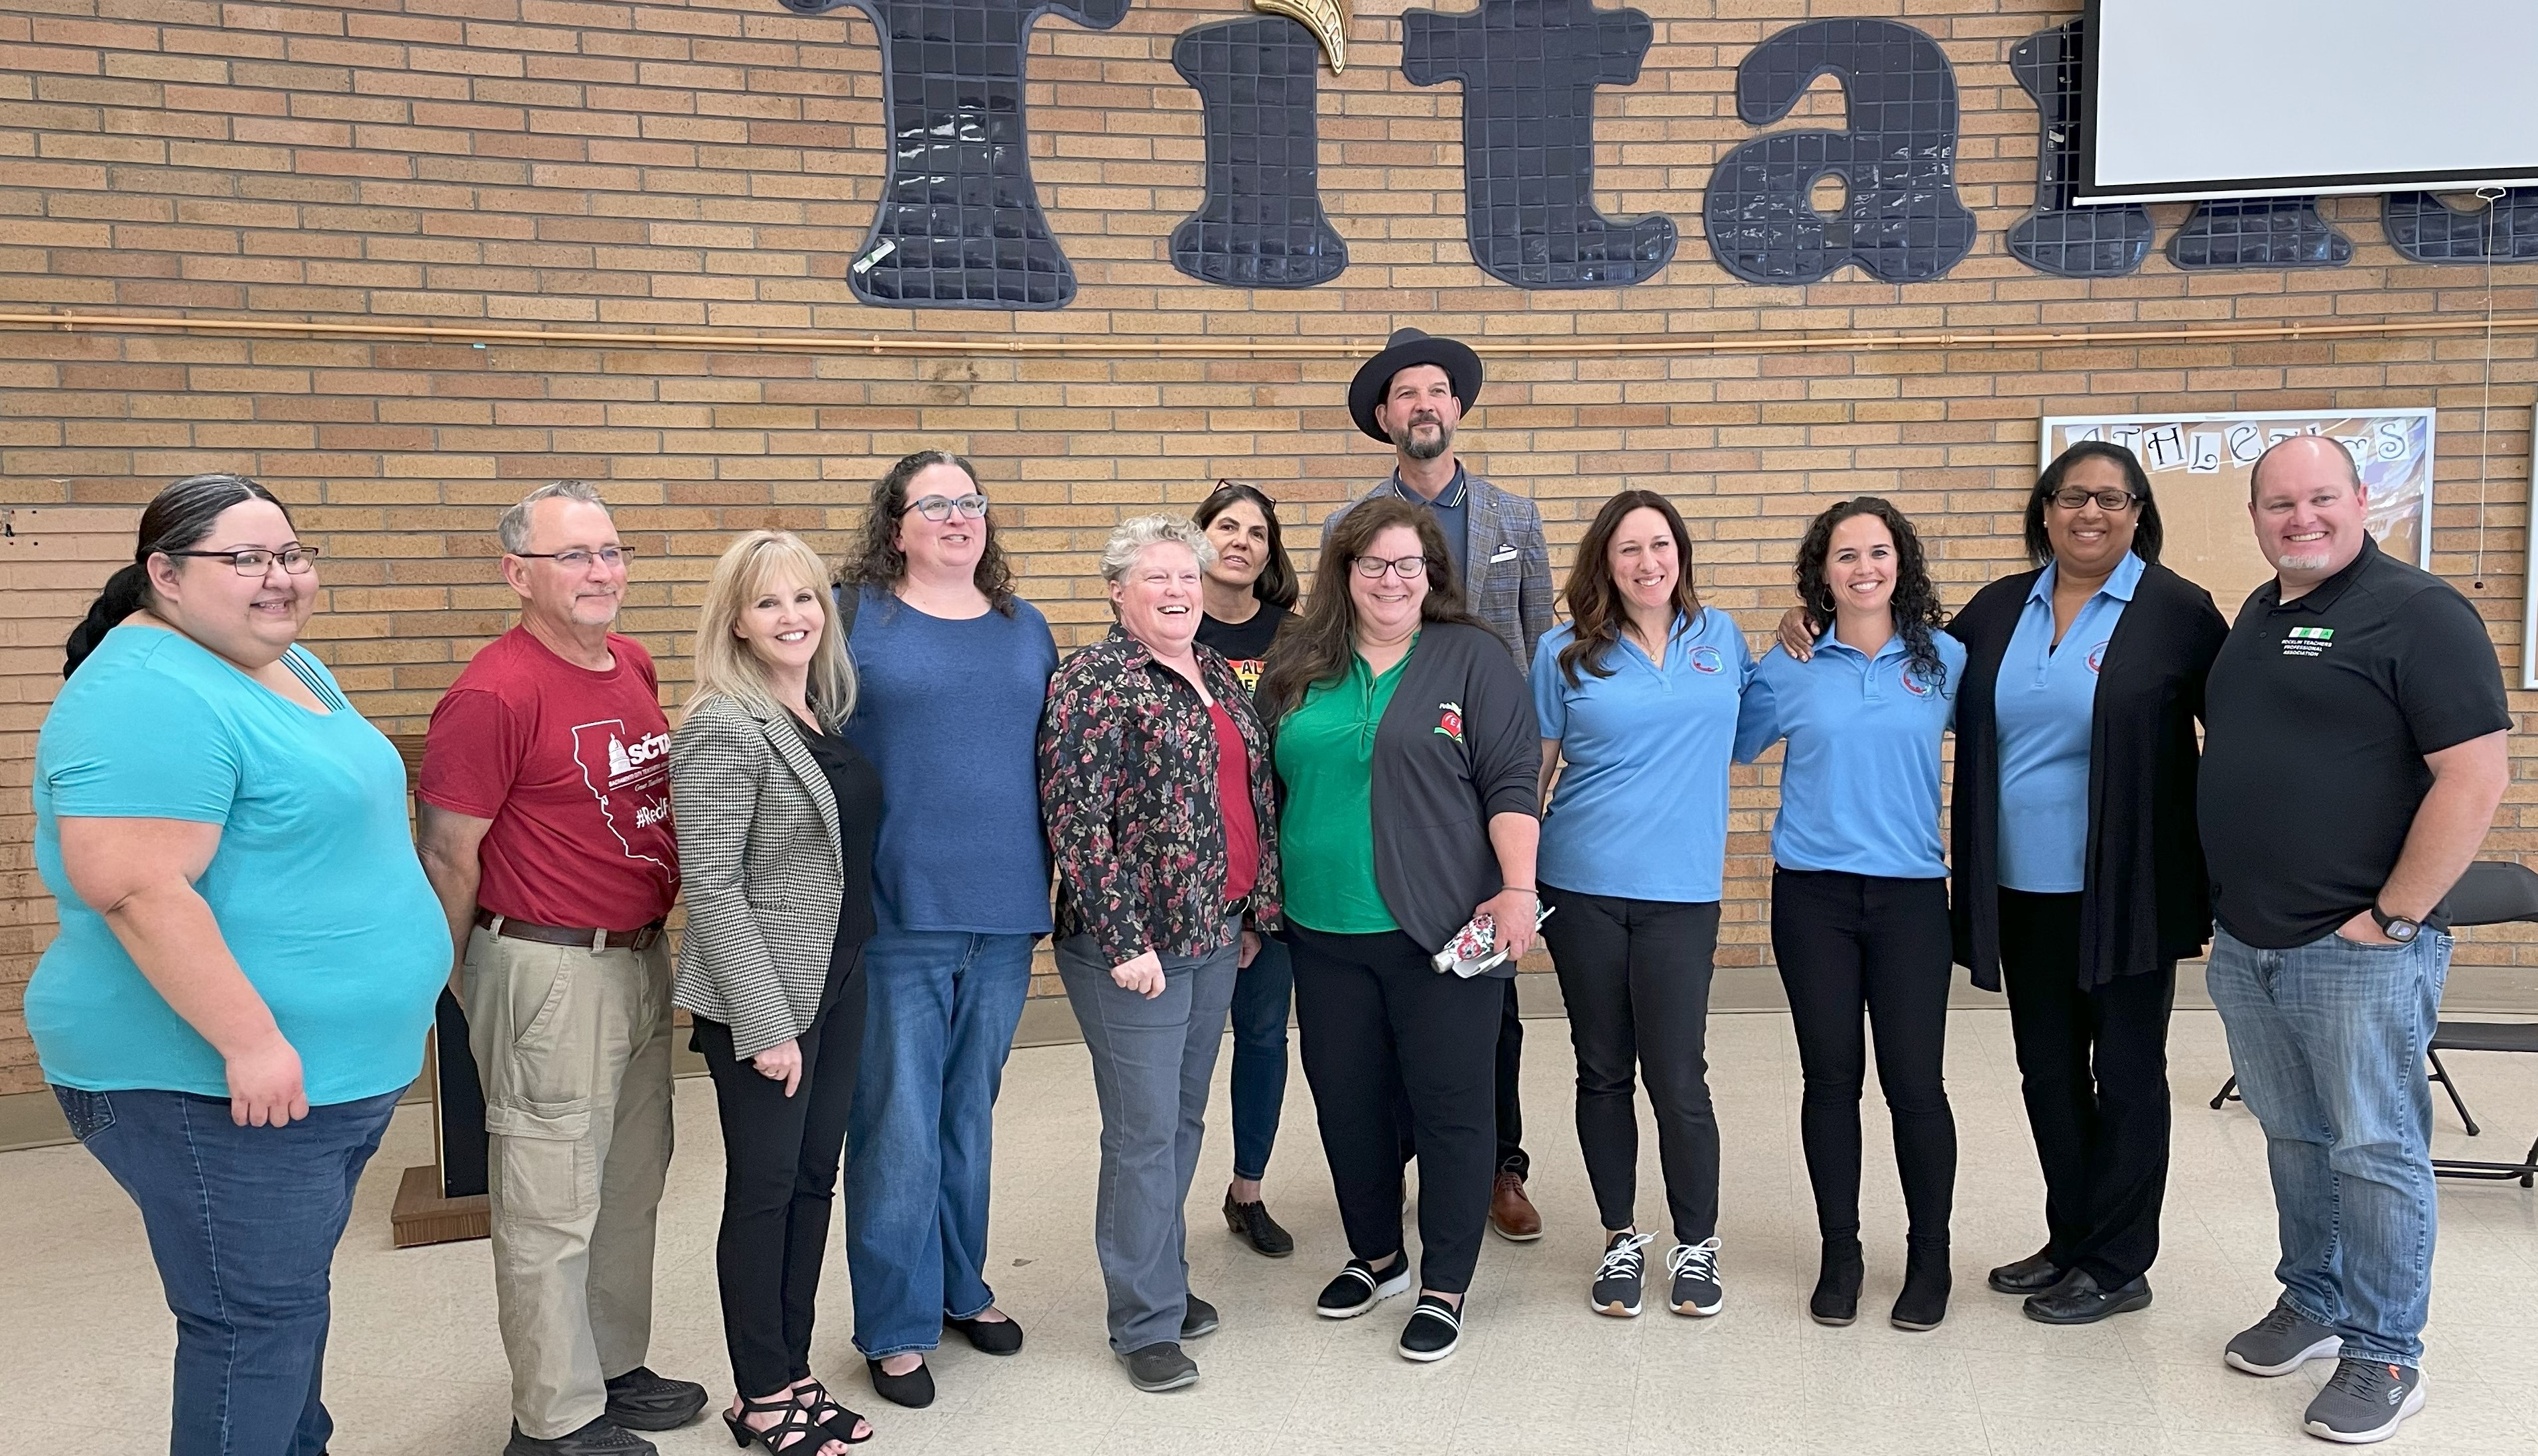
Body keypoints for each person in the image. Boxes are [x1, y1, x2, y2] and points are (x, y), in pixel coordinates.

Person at [29, 473, 448, 1456]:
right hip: (210, 1078)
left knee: (282, 1310)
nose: (280, 576)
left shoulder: (279, 661)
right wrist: (252, 1039)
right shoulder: (143, 689)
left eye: (292, 554)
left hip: (320, 1075)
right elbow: (136, 887)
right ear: (163, 574)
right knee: (249, 1327)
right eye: (245, 558)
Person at [2198, 434, 2508, 1445]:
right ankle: (2314, 1299)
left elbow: (2474, 776)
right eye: (2279, 502)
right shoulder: (2257, 612)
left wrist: (2395, 915)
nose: (2301, 518)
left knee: (2375, 1147)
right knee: (2292, 1135)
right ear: (2254, 514)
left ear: (2360, 497)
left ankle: (2385, 1350)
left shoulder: (2419, 611)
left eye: (2320, 497)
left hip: (2358, 949)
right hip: (2250, 942)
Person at [415, 481, 706, 1456]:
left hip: (635, 954)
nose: (599, 572)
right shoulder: (491, 691)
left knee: (628, 1179)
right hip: (544, 964)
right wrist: (453, 980)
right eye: (573, 556)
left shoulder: (631, 661)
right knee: (549, 1198)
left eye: (611, 551)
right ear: (517, 574)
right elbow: (450, 854)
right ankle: (553, 1418)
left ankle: (611, 1364)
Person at [1940, 444, 2228, 1325]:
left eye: (2109, 498)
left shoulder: (2177, 612)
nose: (2088, 513)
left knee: (2130, 1073)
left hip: (2128, 894)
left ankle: (2117, 1259)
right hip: (2020, 892)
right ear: (2045, 506)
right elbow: (1909, 680)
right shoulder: (1995, 610)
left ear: (2138, 511)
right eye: (2071, 496)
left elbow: (2241, 736)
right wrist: (1814, 625)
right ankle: (2069, 1236)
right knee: (2047, 1071)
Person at [1261, 496, 1542, 1364]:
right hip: (1321, 926)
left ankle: (1444, 1280)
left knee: (1452, 1108)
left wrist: (1518, 887)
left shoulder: (1471, 656)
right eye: (1374, 563)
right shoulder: (1301, 661)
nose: (1392, 579)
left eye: (1408, 564)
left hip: (1444, 929)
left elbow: (1509, 780)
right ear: (1344, 571)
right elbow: (1267, 783)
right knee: (1348, 1103)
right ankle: (1376, 1255)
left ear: (1432, 574)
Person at [1038, 515, 1284, 1392]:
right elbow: (1074, 812)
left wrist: (1255, 909)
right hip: (1132, 947)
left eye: (1188, 575)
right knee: (1143, 1132)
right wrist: (1121, 936)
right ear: (1117, 591)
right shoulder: (1094, 679)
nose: (1179, 591)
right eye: (1157, 578)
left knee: (1182, 1120)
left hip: (1216, 930)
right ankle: (1141, 1319)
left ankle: (1163, 1279)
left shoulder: (1214, 670)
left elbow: (1245, 795)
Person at [836, 450, 1059, 1410]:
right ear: (897, 524)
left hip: (1006, 910)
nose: (956, 516)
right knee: (896, 1123)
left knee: (967, 1112)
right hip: (899, 911)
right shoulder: (851, 617)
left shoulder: (1026, 626)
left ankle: (963, 1284)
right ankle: (894, 1320)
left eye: (970, 501)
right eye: (933, 503)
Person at [1323, 325, 1554, 1242]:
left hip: (1487, 782)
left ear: (1456, 406)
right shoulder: (1351, 528)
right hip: (1398, 778)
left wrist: (1529, 790)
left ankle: (1497, 1161)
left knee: (1483, 993)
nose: (1423, 405)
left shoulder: (1514, 517)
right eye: (1404, 394)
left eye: (1436, 391)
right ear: (1383, 416)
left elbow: (1540, 651)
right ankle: (1404, 1157)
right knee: (1391, 995)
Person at [1734, 496, 1966, 1333]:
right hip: (1813, 898)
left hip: (1909, 897)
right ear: (1821, 574)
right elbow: (1721, 738)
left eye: (1877, 552)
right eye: (1844, 556)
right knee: (1829, 1079)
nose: (1863, 568)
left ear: (1900, 561)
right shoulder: (1789, 664)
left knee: (1915, 1084)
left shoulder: (1945, 658)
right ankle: (1841, 1252)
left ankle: (1930, 1255)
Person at [669, 531, 878, 1455]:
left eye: (804, 597)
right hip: (768, 1005)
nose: (793, 614)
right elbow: (709, 884)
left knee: (809, 1181)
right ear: (737, 623)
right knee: (762, 1191)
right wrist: (766, 1026)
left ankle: (791, 1373)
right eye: (768, 603)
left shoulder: (818, 710)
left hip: (840, 983)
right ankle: (759, 1391)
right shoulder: (724, 723)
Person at [1532, 490, 1751, 1321]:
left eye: (1660, 544)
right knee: (1601, 1067)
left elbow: (1760, 717)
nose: (1647, 561)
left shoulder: (1720, 638)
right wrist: (1512, 880)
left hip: (1681, 893)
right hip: (1581, 884)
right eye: (1628, 549)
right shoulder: (1562, 652)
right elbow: (1533, 775)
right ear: (1605, 562)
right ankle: (1621, 1234)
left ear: (1681, 554)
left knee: (1678, 1073)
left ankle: (1696, 1243)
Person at [1192, 480, 1303, 1257]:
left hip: (1278, 870)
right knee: (1183, 1052)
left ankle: (1247, 1189)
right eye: (1226, 526)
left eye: (1256, 533)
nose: (1240, 541)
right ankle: (1158, 1205)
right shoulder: (1163, 624)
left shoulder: (1299, 638)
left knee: (1263, 1033)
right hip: (1192, 879)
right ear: (1198, 537)